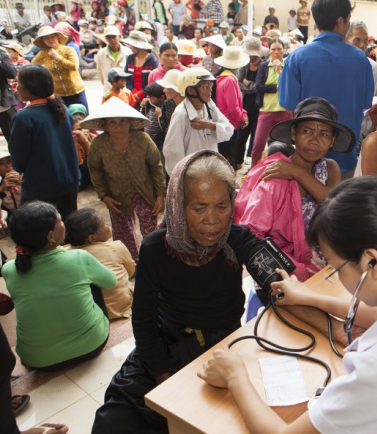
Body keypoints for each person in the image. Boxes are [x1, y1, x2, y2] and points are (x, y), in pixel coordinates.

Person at [199, 176, 377, 434]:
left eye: (337, 268)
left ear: (372, 262)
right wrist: (307, 296)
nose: (340, 278)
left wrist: (236, 376)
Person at [92, 151, 267, 433]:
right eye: (199, 208)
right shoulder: (155, 248)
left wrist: (279, 286)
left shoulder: (237, 239)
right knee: (115, 421)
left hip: (221, 346)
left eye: (221, 206)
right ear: (177, 205)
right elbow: (145, 321)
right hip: (167, 345)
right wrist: (165, 381)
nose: (212, 220)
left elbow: (276, 280)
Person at [235, 97, 351, 280]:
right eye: (306, 131)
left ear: (332, 141)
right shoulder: (275, 178)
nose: (314, 140)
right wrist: (296, 270)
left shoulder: (329, 169)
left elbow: (335, 208)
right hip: (281, 264)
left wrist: (297, 172)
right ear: (293, 133)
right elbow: (251, 235)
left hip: (323, 256)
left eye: (324, 134)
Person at [2, 202, 117, 371]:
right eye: (60, 220)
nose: (63, 224)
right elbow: (111, 282)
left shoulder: (9, 269)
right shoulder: (79, 257)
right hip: (91, 346)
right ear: (50, 236)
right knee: (92, 281)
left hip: (37, 360)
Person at [279, 0, 374, 175]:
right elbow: (365, 103)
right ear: (340, 21)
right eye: (348, 19)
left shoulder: (297, 58)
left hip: (306, 160)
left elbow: (287, 105)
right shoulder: (361, 60)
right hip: (344, 159)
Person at [83, 100, 166, 261]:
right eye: (112, 122)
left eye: (123, 121)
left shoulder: (143, 139)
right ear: (105, 125)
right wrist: (104, 196)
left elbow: (156, 167)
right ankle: (132, 263)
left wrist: (160, 195)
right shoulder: (98, 145)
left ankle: (155, 261)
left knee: (151, 231)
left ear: (130, 123)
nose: (118, 126)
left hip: (146, 192)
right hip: (116, 195)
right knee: (123, 234)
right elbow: (95, 171)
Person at [10, 65, 80, 218]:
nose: (16, 87)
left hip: (41, 188)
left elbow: (19, 160)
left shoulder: (24, 117)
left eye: (18, 83)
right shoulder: (61, 107)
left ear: (30, 87)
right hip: (70, 181)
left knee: (40, 234)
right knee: (67, 228)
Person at [66, 208, 136, 320]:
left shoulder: (66, 254)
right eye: (104, 224)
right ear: (92, 238)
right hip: (121, 308)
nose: (108, 224)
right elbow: (131, 271)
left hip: (91, 312)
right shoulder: (116, 247)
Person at [162, 68, 233, 176]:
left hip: (211, 167)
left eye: (211, 85)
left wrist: (211, 125)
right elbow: (173, 151)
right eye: (205, 86)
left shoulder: (209, 105)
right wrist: (179, 177)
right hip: (191, 172)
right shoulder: (181, 115)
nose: (210, 89)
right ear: (191, 90)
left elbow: (229, 129)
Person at [252, 39, 291, 166]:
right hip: (266, 110)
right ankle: (253, 170)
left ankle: (282, 169)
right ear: (269, 50)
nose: (276, 52)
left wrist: (280, 71)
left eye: (279, 49)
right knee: (258, 144)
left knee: (285, 145)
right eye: (273, 49)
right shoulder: (264, 66)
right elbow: (258, 86)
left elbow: (291, 85)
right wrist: (276, 88)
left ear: (283, 50)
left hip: (285, 110)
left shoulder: (288, 65)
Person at [30, 25, 88, 109]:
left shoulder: (68, 50)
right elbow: (33, 66)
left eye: (52, 37)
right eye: (46, 38)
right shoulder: (42, 54)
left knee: (82, 116)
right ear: (43, 41)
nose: (50, 40)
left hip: (76, 91)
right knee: (63, 119)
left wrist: (57, 57)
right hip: (59, 95)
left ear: (57, 37)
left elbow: (74, 66)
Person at [213, 45, 249, 167]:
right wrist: (241, 118)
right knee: (228, 160)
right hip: (230, 125)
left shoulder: (222, 78)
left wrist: (242, 114)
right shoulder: (229, 80)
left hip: (225, 124)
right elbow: (233, 107)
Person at [236, 37, 265, 166]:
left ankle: (251, 158)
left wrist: (247, 83)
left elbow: (261, 87)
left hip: (260, 103)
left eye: (254, 56)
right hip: (246, 102)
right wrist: (253, 87)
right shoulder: (244, 66)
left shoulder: (264, 66)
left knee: (256, 134)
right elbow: (238, 83)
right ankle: (238, 161)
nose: (252, 58)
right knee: (241, 134)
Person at [122, 31, 160, 103]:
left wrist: (141, 94)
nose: (130, 47)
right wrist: (133, 92)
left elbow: (154, 81)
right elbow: (126, 77)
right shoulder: (130, 58)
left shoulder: (153, 60)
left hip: (148, 99)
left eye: (132, 45)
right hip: (132, 97)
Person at [95, 26, 132, 91]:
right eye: (109, 37)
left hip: (124, 90)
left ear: (119, 37)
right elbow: (100, 74)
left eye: (114, 37)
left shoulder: (128, 52)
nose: (112, 40)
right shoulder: (101, 54)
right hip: (108, 90)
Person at [346, 19, 377, 86]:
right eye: (357, 40)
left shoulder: (372, 67)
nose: (362, 45)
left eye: (365, 41)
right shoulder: (337, 63)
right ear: (345, 40)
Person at [141, 82, 168, 150]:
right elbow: (142, 118)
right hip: (148, 140)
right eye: (149, 97)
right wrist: (143, 106)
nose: (149, 99)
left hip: (158, 143)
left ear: (162, 98)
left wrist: (161, 115)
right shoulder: (150, 106)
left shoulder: (165, 108)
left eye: (152, 97)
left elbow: (166, 126)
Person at [0, 47, 16, 144]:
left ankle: (18, 159)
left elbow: (11, 73)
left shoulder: (2, 54)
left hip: (4, 105)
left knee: (13, 138)